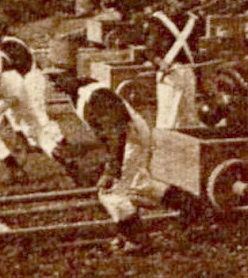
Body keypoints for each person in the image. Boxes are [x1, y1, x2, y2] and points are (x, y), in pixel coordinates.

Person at [45, 69, 171, 252]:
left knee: (110, 193)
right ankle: (189, 206)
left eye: (59, 78)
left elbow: (117, 131)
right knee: (139, 183)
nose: (56, 84)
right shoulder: (81, 91)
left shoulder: (95, 96)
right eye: (53, 80)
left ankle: (137, 241)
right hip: (132, 138)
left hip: (131, 140)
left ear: (72, 75)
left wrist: (112, 170)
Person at [0, 36, 77, 184]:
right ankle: (67, 161)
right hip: (15, 83)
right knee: (35, 130)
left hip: (5, 89)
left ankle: (15, 169)